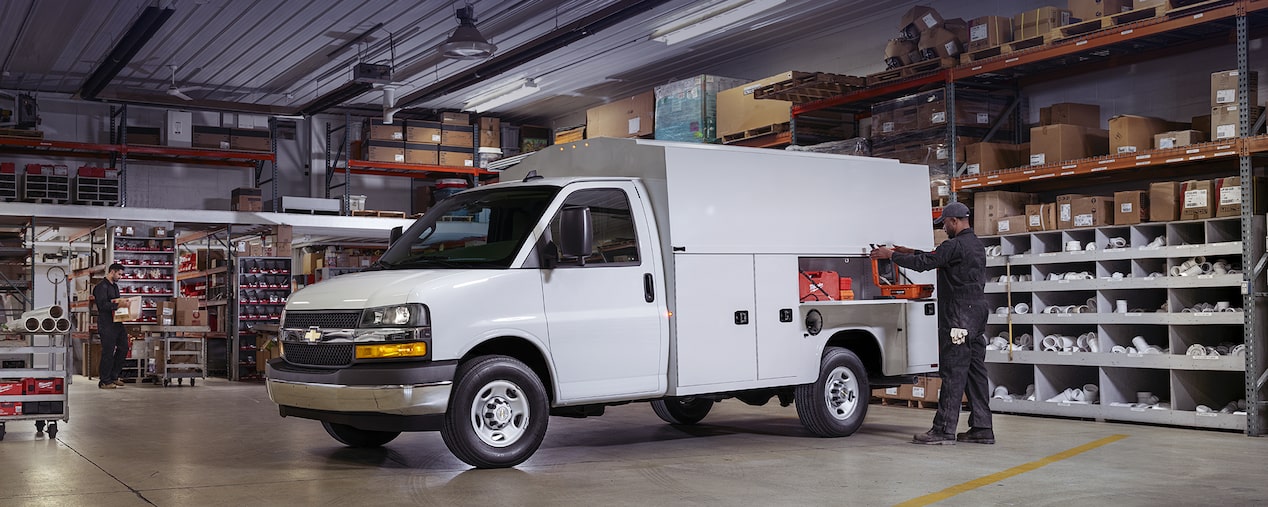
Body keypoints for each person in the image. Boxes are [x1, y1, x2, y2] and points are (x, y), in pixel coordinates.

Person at [869, 201, 992, 445]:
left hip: (958, 318)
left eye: (944, 223)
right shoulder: (975, 245)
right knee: (975, 372)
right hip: (977, 315)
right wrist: (908, 251)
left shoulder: (954, 245)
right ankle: (982, 427)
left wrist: (891, 256)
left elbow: (926, 264)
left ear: (954, 221)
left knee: (954, 372)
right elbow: (936, 257)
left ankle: (944, 429)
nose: (943, 227)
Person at [93, 263, 128, 389]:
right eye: (119, 274)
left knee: (124, 347)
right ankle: (104, 381)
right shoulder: (100, 287)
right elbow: (102, 305)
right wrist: (117, 305)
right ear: (112, 272)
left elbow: (115, 302)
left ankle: (114, 376)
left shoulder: (115, 287)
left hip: (117, 322)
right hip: (106, 323)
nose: (120, 277)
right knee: (108, 352)